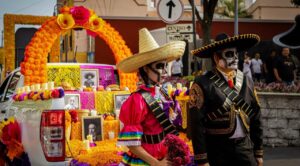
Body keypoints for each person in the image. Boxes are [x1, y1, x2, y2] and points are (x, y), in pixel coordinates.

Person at [189, 33, 263, 166]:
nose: (235, 58)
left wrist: (258, 151)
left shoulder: (247, 81)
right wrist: (202, 159)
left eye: (236, 54)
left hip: (244, 148)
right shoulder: (202, 83)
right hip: (217, 149)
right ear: (216, 58)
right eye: (229, 54)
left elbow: (256, 115)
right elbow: (196, 124)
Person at [116, 28, 186, 166]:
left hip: (164, 158)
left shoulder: (164, 94)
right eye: (160, 66)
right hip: (146, 161)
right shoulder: (137, 100)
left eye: (166, 65)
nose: (165, 71)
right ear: (145, 69)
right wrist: (156, 163)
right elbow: (132, 144)